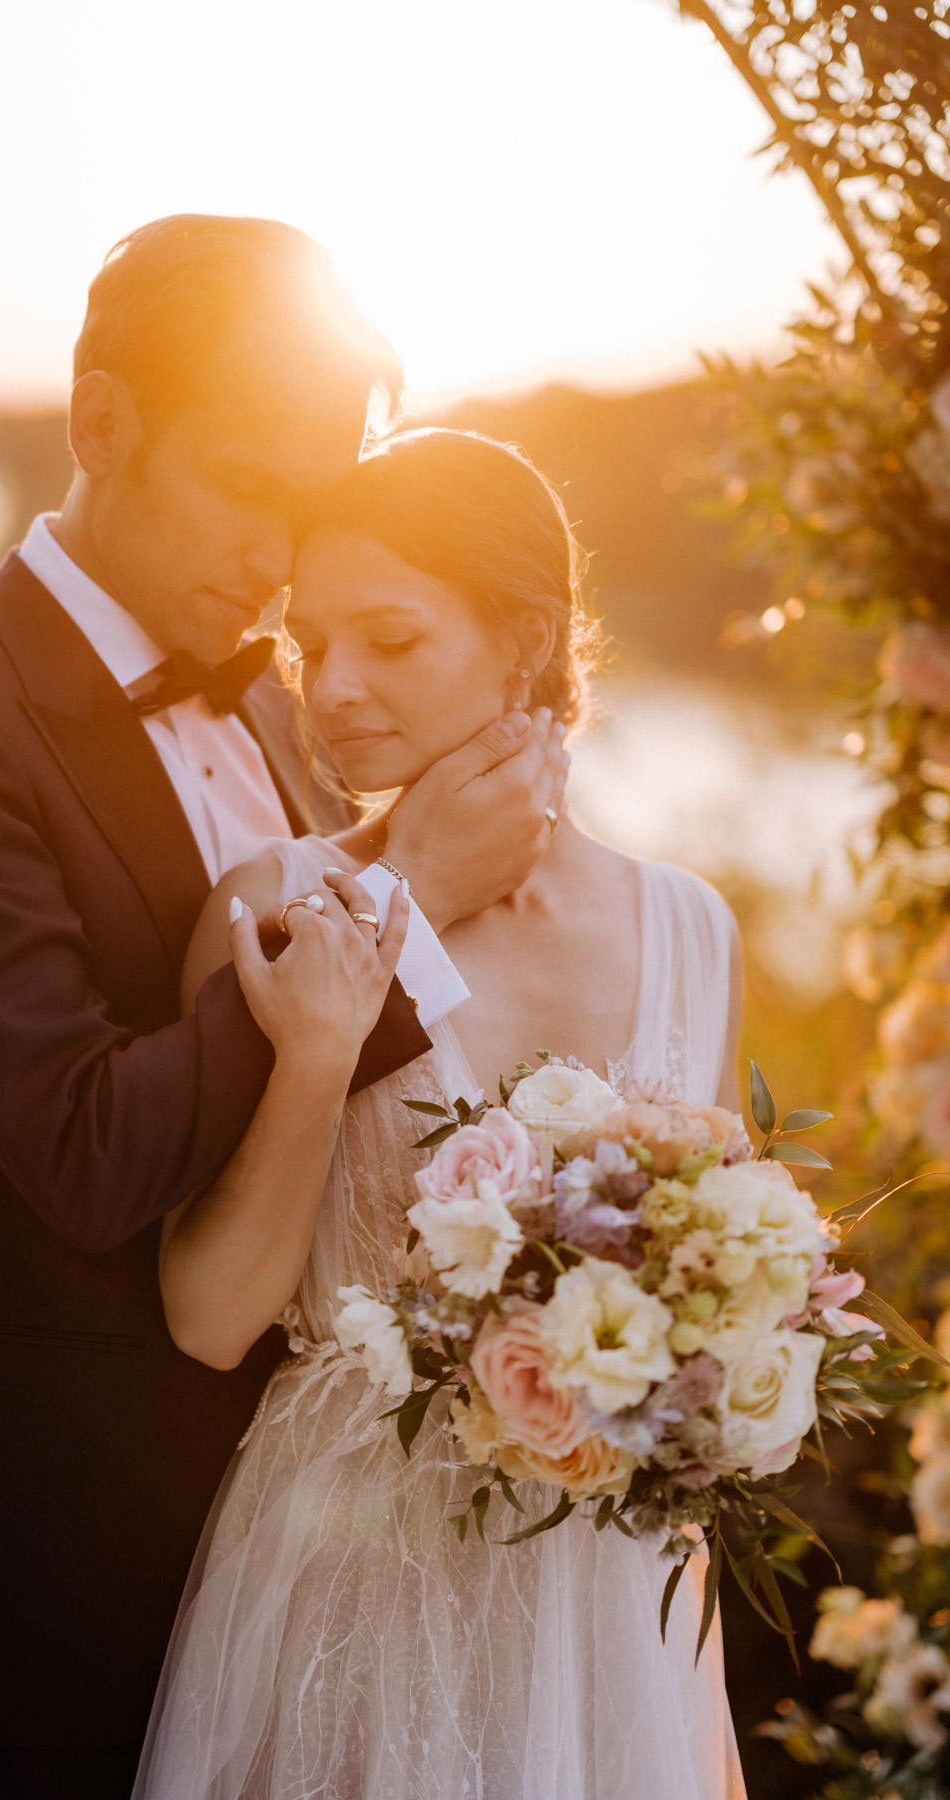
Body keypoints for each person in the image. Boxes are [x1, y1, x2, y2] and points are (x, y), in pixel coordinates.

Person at [0, 221, 568, 1800]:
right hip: (23, 1587)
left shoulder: (283, 699)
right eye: (247, 485)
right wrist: (406, 891)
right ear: (101, 427)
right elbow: (83, 1147)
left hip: (292, 1580)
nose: (283, 555)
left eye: (311, 495)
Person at [136, 427, 748, 1800]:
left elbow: (714, 1309)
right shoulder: (273, 906)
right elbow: (213, 1313)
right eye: (311, 645)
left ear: (527, 643)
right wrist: (317, 1042)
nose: (333, 690)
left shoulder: (692, 930)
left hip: (606, 1600)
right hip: (346, 1584)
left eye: (390, 641)